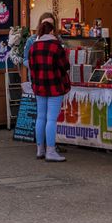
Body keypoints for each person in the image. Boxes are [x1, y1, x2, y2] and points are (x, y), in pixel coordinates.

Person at [27, 16, 70, 163]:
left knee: (41, 117)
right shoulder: (56, 46)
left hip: (39, 86)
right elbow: (65, 66)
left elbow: (31, 68)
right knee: (51, 118)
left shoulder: (33, 47)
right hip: (55, 86)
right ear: (51, 31)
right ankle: (51, 151)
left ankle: (40, 149)